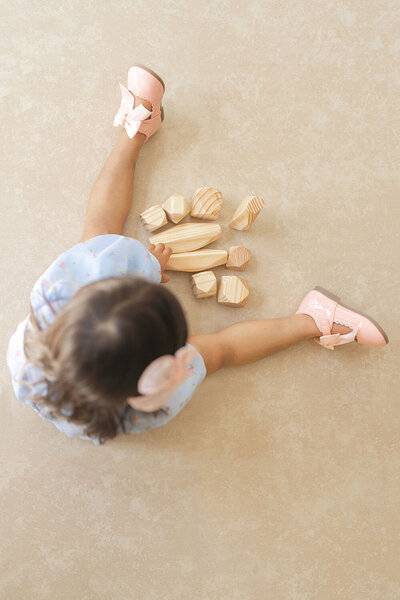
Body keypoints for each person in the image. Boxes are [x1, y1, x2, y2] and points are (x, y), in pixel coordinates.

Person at [6, 65, 389, 446]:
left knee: (99, 231)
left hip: (67, 383)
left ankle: (136, 131)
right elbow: (218, 349)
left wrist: (141, 266)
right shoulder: (155, 400)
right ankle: (311, 320)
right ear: (166, 368)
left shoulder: (39, 330)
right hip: (110, 354)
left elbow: (102, 269)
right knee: (219, 351)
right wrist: (149, 264)